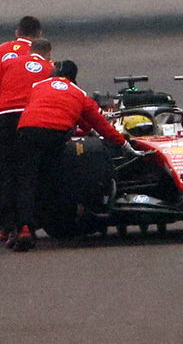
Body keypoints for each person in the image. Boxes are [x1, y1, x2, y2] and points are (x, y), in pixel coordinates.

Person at [11, 58, 126, 251]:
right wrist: (122, 142)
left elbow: (35, 108)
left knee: (25, 180)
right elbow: (99, 125)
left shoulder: (37, 86)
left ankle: (23, 228)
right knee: (53, 178)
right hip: (55, 135)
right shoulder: (79, 93)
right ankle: (59, 218)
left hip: (28, 130)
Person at [0, 36, 55, 246]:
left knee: (6, 174)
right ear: (48, 53)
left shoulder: (8, 62)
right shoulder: (50, 67)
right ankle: (25, 228)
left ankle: (3, 227)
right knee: (27, 175)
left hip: (4, 118)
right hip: (31, 119)